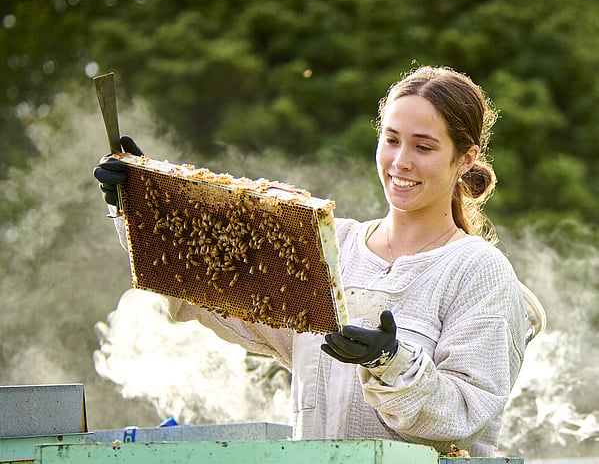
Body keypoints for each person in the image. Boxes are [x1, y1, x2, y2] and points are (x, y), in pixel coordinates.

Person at [94, 65, 532, 457]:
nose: (401, 161)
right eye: (391, 140)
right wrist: (139, 206)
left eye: (424, 147)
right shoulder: (330, 244)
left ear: (466, 158)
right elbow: (213, 289)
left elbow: (465, 412)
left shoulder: (479, 270)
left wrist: (392, 362)